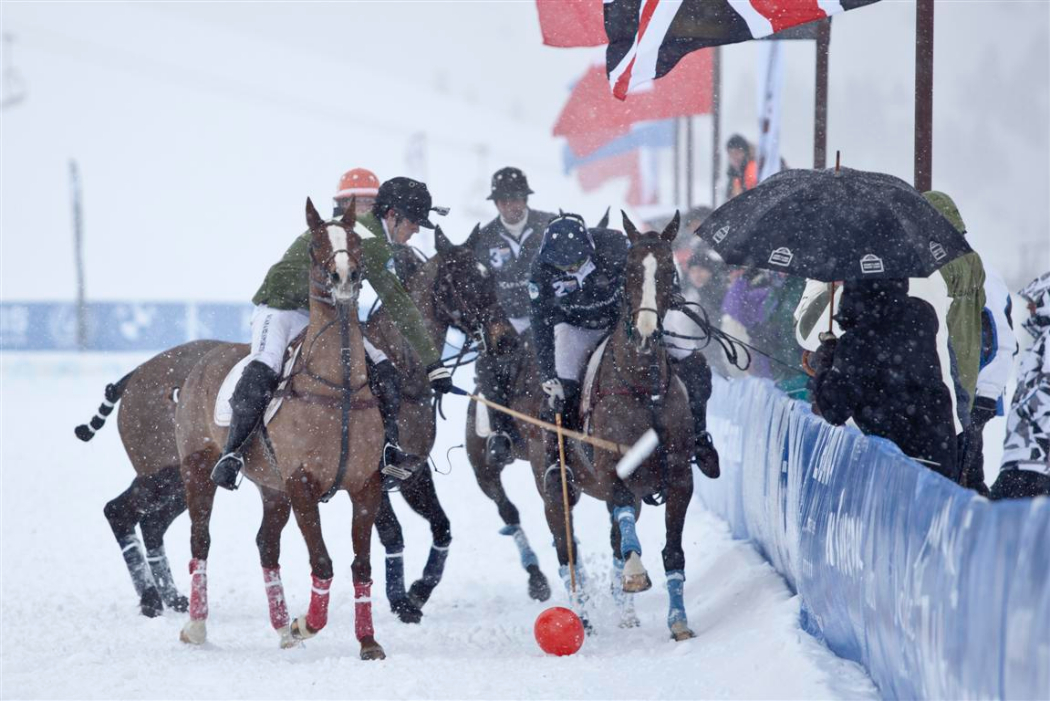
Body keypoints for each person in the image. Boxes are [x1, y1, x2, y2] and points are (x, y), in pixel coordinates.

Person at [211, 175, 454, 491]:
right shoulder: (365, 237)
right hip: (282, 310)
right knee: (267, 363)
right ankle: (233, 454)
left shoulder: (371, 235)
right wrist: (433, 363)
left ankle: (387, 449)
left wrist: (433, 363)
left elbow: (399, 305)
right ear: (392, 216)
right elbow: (399, 304)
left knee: (382, 368)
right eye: (414, 222)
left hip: (322, 316)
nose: (417, 230)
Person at [528, 214, 719, 504]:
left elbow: (658, 261)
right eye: (563, 265)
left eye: (576, 261)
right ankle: (559, 463)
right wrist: (547, 376)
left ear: (589, 246)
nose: (570, 268)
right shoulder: (540, 270)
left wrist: (674, 292)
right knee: (559, 395)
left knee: (695, 366)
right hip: (575, 329)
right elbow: (540, 325)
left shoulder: (616, 245)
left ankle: (699, 437)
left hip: (625, 320)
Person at [810, 278, 959, 482]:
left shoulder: (858, 341)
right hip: (939, 449)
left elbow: (833, 409)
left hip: (896, 466)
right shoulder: (921, 316)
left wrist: (825, 361)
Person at [470, 167, 555, 467]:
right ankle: (501, 433)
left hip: (549, 315)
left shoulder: (550, 226)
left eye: (516, 199)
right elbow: (478, 290)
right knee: (488, 365)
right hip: (507, 320)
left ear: (525, 198)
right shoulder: (483, 238)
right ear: (496, 204)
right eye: (504, 201)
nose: (511, 205)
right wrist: (491, 321)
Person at [924, 191, 987, 411]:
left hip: (942, 363)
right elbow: (981, 306)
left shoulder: (936, 261)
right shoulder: (973, 257)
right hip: (968, 362)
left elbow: (929, 306)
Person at [990, 271, 1050, 499]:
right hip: (1024, 459)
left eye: (1035, 303)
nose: (1029, 309)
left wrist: (1028, 412)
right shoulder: (1042, 340)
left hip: (1034, 462)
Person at [961, 264, 1018, 494]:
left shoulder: (980, 274)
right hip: (967, 391)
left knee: (966, 473)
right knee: (965, 470)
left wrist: (986, 391)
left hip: (976, 392)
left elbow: (1001, 339)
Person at [725, 134, 758, 201]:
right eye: (731, 153)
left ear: (745, 153)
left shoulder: (754, 170)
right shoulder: (733, 175)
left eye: (738, 152)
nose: (734, 157)